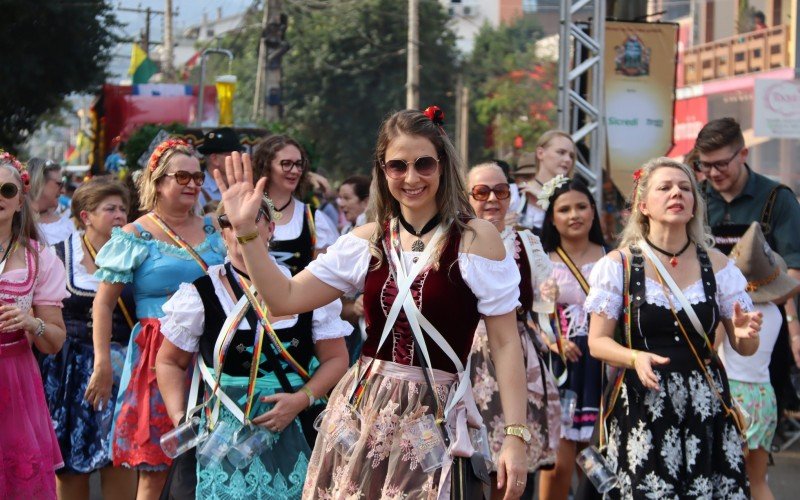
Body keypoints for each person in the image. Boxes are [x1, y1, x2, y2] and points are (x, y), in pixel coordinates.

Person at [214, 107, 530, 499]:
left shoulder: (475, 238)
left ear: (443, 166)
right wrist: (246, 232)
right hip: (363, 412)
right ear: (382, 170)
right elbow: (284, 299)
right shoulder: (367, 240)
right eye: (397, 166)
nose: (411, 178)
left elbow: (504, 342)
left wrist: (516, 435)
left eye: (424, 164)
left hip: (434, 416)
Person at [585, 157, 762, 498]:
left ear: (695, 203)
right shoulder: (618, 265)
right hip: (642, 405)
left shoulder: (719, 265)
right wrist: (635, 357)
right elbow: (597, 343)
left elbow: (745, 348)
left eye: (685, 188)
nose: (676, 193)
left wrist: (744, 335)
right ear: (643, 204)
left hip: (704, 406)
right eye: (664, 188)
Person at [156, 196, 351, 498]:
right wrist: (182, 419)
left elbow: (337, 359)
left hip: (295, 430)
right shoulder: (199, 295)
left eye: (249, 221)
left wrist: (302, 399)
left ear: (271, 228)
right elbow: (170, 362)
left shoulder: (305, 289)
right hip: (220, 437)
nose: (239, 230)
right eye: (230, 224)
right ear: (223, 234)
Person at [89, 139, 226, 499]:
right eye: (182, 176)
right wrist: (102, 361)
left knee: (213, 459)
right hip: (156, 352)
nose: (193, 184)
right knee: (158, 466)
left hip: (212, 350)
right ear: (157, 180)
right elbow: (102, 305)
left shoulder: (216, 228)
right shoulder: (135, 235)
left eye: (197, 176)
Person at [694, 118, 800, 417]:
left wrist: (743, 305)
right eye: (705, 165)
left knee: (756, 425)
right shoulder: (696, 198)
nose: (713, 173)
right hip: (703, 319)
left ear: (743, 154)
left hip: (761, 322)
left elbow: (795, 270)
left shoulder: (777, 199)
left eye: (721, 164)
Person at [466, 162, 561, 498]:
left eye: (501, 191)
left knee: (512, 466)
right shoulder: (457, 239)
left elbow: (545, 300)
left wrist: (547, 326)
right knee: (467, 460)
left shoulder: (525, 243)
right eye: (481, 192)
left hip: (515, 350)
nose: (492, 199)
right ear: (466, 196)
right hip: (465, 355)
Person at [39, 179, 137, 499]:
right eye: (110, 209)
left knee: (120, 457)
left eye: (123, 209)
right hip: (69, 368)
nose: (120, 215)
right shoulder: (57, 255)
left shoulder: (138, 253)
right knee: (69, 461)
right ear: (86, 216)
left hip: (123, 364)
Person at [0, 150, 69, 498]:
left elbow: (55, 341)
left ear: (20, 200)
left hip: (13, 380)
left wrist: (30, 323)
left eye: (7, 191)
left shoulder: (39, 257)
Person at [537, 175, 607, 500]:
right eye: (564, 209)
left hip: (604, 367)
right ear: (552, 217)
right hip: (559, 367)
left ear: (593, 211)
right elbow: (525, 316)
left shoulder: (615, 258)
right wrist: (551, 340)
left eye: (582, 206)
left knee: (598, 463)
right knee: (557, 465)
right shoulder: (541, 261)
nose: (574, 214)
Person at [719, 222, 800, 500]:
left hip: (732, 396)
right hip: (764, 396)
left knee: (728, 481)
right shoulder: (775, 314)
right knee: (758, 481)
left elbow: (712, 349)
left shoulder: (731, 311)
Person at [251, 135, 338, 272]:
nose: (295, 170)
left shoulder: (314, 219)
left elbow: (325, 279)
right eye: (286, 164)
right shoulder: (247, 212)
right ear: (266, 166)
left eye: (298, 164)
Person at [511, 131, 577, 233]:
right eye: (561, 152)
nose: (568, 159)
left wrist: (546, 201)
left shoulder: (575, 196)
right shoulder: (515, 194)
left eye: (571, 156)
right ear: (540, 153)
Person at [28, 158, 75, 245]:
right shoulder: (12, 222)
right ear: (39, 183)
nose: (63, 191)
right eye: (59, 184)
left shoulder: (66, 226)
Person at [196, 127, 244, 207]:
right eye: (234, 155)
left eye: (240, 155)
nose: (241, 160)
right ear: (215, 159)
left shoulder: (244, 187)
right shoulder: (196, 190)